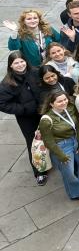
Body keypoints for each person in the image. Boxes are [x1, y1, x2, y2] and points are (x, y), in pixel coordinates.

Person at [38, 91, 79, 201]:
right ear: (51, 104)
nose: (64, 102)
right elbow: (48, 141)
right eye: (59, 101)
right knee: (69, 173)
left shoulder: (70, 108)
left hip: (75, 141)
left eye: (65, 99)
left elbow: (78, 127)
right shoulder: (46, 120)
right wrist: (61, 156)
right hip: (61, 146)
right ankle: (75, 193)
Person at [0, 52, 47, 185]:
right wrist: (23, 109)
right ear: (11, 65)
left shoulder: (36, 72)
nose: (20, 65)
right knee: (33, 142)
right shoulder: (7, 83)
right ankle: (39, 172)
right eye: (16, 63)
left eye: (22, 61)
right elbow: (2, 103)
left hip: (43, 112)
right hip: (26, 118)